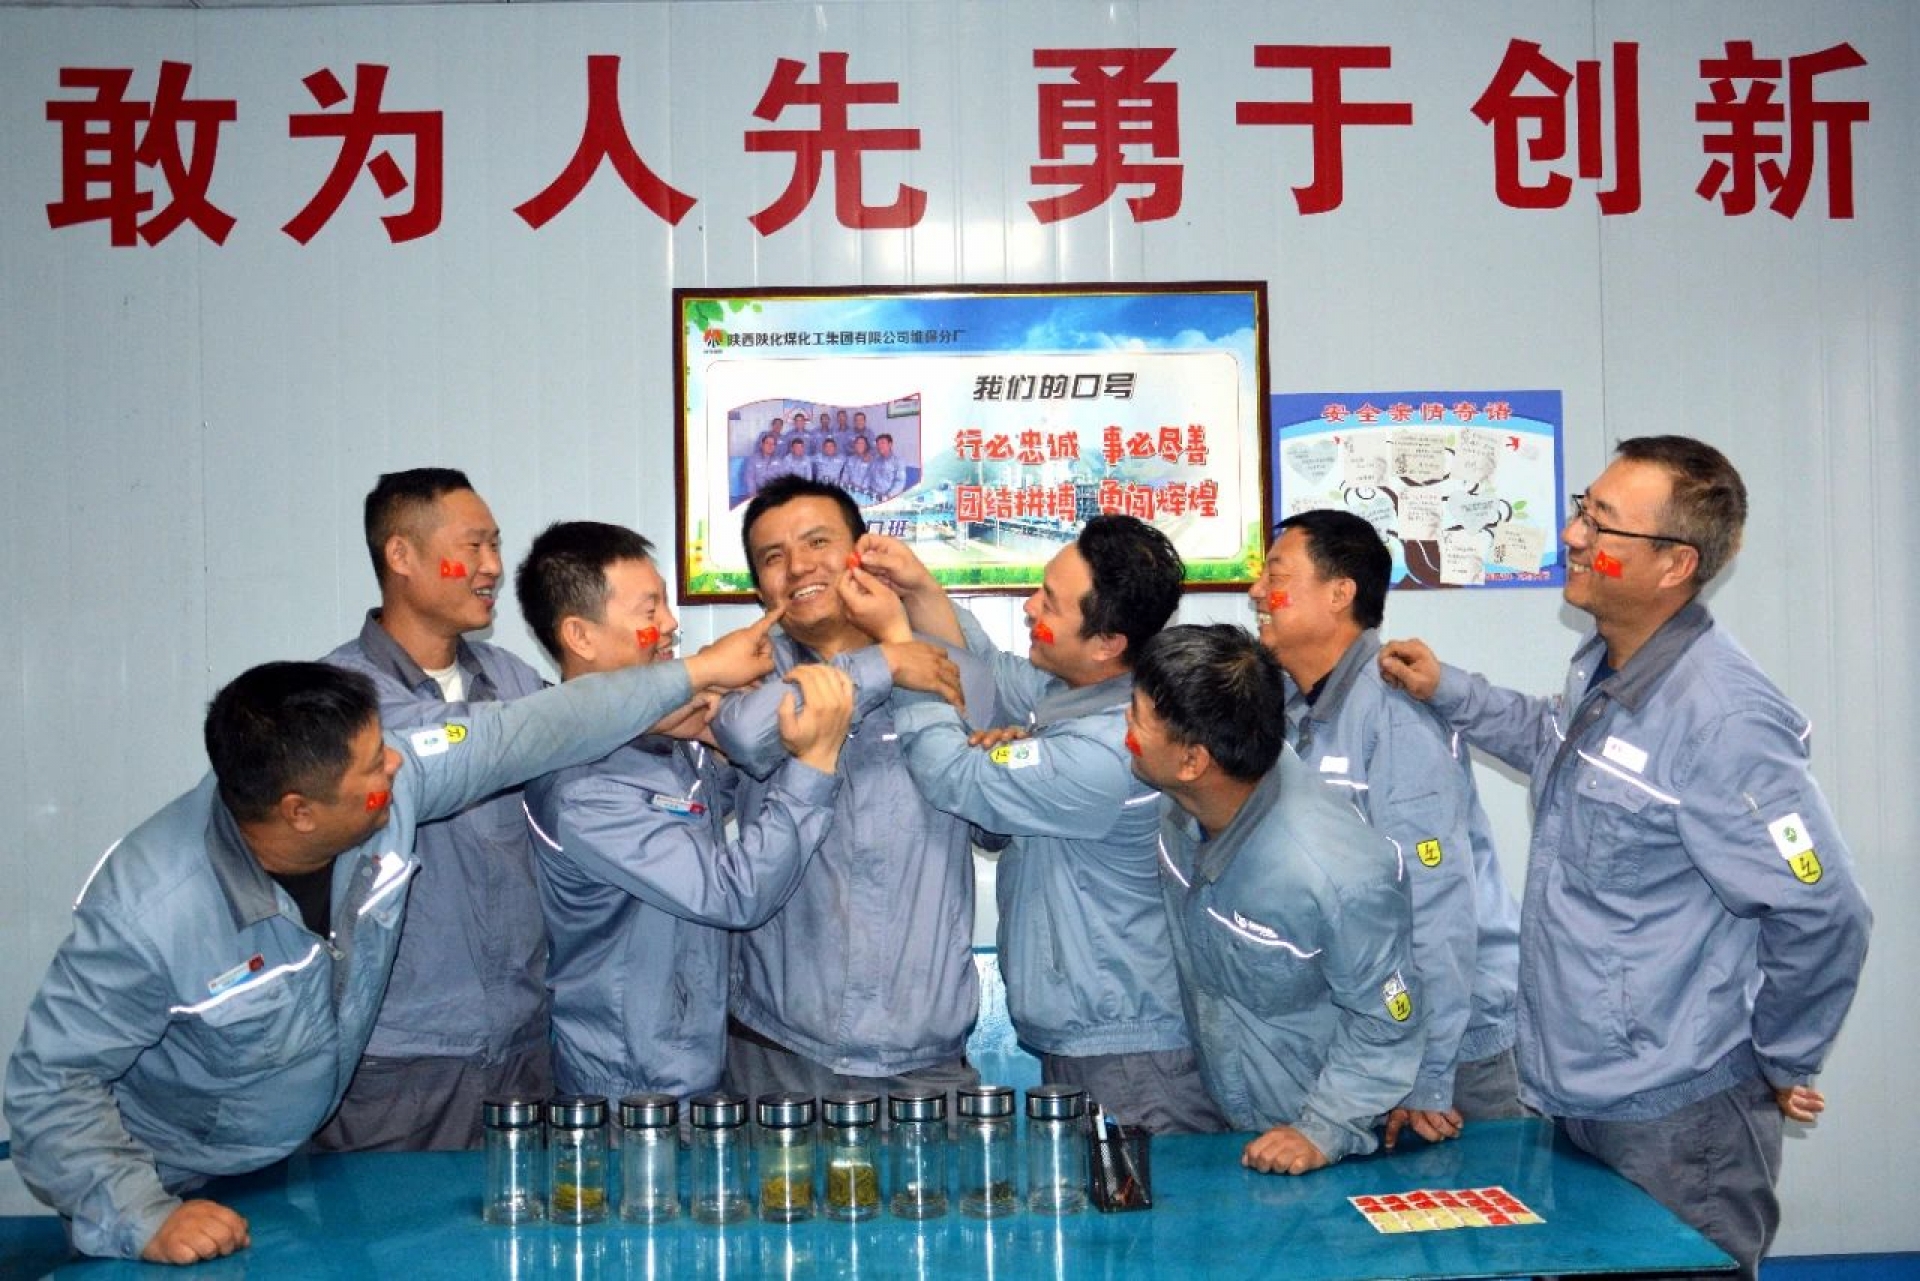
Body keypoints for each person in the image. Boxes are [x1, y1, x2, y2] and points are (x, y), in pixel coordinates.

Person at [3, 627, 778, 1263]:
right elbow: (49, 1084)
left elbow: (534, 729)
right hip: (171, 1177)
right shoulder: (149, 913)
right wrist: (141, 1215)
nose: (399, 766)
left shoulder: (387, 784)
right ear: (299, 811)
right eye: (375, 765)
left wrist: (693, 673)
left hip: (288, 1168)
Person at [1380, 436, 1872, 1279]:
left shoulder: (1723, 720)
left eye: (1602, 523)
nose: (1574, 535)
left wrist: (1781, 1059)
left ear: (1676, 564)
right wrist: (1450, 689)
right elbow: (1556, 740)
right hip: (1583, 1093)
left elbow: (1825, 908)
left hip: (1680, 1120)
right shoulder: (1608, 663)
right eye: (1583, 508)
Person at [853, 516, 1223, 1133]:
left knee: (1138, 1197)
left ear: (1106, 643)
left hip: (1133, 1060)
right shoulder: (1076, 693)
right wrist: (918, 588)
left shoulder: (1111, 748)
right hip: (1100, 1041)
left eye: (1049, 602)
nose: (1029, 607)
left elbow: (951, 775)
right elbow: (983, 670)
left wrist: (901, 654)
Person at [514, 521, 854, 1102]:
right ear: (581, 636)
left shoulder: (665, 744)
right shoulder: (584, 788)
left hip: (697, 1069)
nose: (671, 624)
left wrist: (725, 737)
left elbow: (721, 794)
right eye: (649, 609)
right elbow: (734, 893)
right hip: (629, 1092)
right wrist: (814, 761)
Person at [710, 475, 994, 1109]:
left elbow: (994, 820)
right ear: (759, 588)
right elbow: (747, 734)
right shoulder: (747, 668)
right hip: (779, 1049)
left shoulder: (945, 659)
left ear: (861, 553)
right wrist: (884, 664)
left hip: (925, 1055)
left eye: (817, 542)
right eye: (773, 557)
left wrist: (907, 649)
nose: (798, 567)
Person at [1251, 510, 1522, 1145]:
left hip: (1454, 1053)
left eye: (1276, 575)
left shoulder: (1395, 711)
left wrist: (1428, 1075)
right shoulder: (1288, 711)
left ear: (1340, 593)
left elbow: (1436, 904)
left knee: (1477, 1209)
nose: (1258, 592)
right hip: (1374, 1042)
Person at [1129, 624, 1424, 1175]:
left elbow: (1388, 1021)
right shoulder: (1188, 800)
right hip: (1235, 1128)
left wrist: (1322, 1130)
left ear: (1193, 760)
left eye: (1136, 718)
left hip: (1324, 1151)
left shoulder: (1336, 876)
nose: (1124, 730)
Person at [314, 469, 549, 1152]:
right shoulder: (335, 699)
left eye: (496, 545)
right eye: (473, 546)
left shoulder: (513, 681)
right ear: (401, 554)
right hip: (396, 1070)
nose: (492, 566)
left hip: (523, 1057)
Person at [868, 432, 907, 502]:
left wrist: (888, 496)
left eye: (882, 443)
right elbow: (870, 477)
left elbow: (900, 482)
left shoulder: (898, 461)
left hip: (888, 498)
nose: (879, 446)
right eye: (878, 444)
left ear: (890, 444)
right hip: (873, 495)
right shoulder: (875, 460)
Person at [741, 431, 781, 498]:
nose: (770, 446)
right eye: (767, 443)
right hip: (758, 493)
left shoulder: (778, 460)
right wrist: (753, 493)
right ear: (762, 445)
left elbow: (782, 478)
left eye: (773, 444)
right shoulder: (753, 459)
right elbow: (749, 478)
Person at [842, 434, 875, 502]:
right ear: (855, 445)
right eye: (858, 443)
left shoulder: (871, 460)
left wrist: (861, 490)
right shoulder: (849, 459)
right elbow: (845, 476)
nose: (860, 445)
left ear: (866, 446)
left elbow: (870, 478)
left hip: (865, 495)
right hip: (850, 492)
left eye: (862, 443)